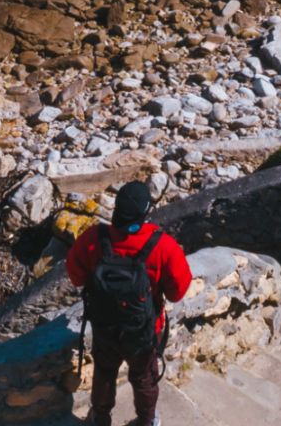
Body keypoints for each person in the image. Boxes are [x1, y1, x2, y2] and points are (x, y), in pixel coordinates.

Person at [66, 180, 192, 426]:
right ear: (145, 212)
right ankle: (147, 421)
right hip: (144, 329)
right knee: (144, 377)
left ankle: (100, 419)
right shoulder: (163, 246)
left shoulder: (93, 238)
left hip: (104, 325)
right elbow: (177, 292)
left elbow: (75, 276)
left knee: (104, 373)